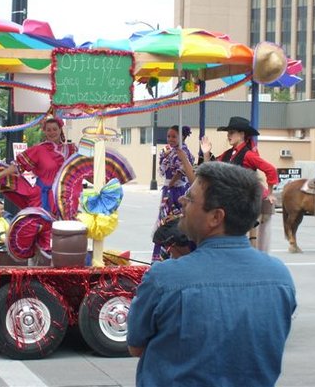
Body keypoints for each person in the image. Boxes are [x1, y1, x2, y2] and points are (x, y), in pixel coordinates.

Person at [127, 162, 296, 387]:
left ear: (216, 217)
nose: (181, 201)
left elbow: (136, 346)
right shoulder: (280, 277)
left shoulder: (165, 279)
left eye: (190, 197)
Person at [200, 116, 279, 252]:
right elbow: (211, 169)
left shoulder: (248, 155)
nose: (228, 136)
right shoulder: (228, 154)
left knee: (252, 238)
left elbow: (270, 169)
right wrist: (206, 153)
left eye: (232, 132)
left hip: (248, 199)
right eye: (228, 133)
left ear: (242, 134)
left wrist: (271, 193)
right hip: (234, 200)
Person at [0, 117, 77, 214]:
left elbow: (81, 168)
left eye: (55, 129)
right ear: (45, 132)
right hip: (43, 197)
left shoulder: (71, 150)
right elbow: (18, 164)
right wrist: (0, 175)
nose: (52, 132)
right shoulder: (38, 150)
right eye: (48, 130)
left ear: (60, 130)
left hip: (65, 196)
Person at [152, 125, 195, 261]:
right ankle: (162, 255)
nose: (170, 139)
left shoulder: (183, 152)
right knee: (165, 221)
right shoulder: (169, 150)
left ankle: (170, 254)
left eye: (174, 136)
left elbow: (182, 171)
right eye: (168, 136)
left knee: (172, 222)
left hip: (177, 191)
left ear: (182, 137)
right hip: (169, 189)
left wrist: (170, 183)